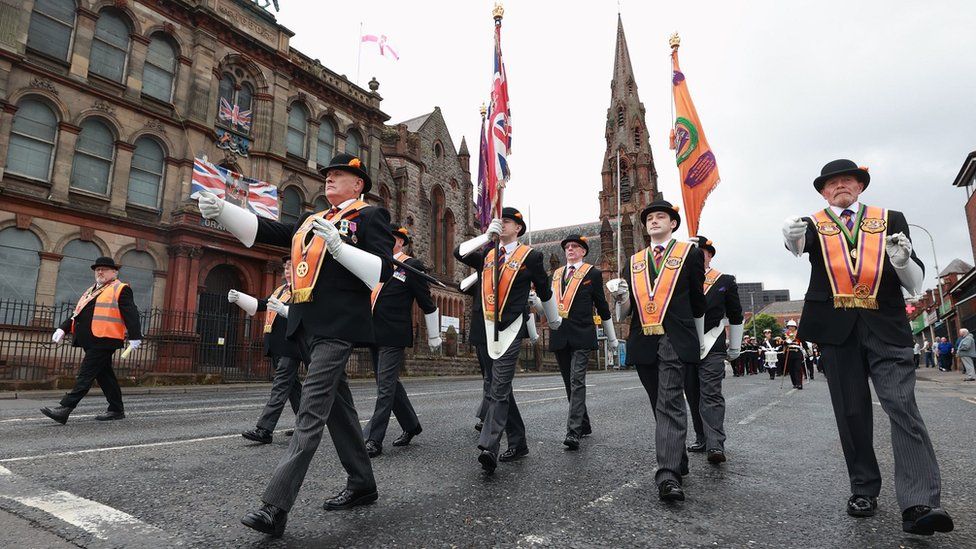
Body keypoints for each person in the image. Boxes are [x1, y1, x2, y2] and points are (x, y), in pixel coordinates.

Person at [198, 153, 393, 537]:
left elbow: (383, 269)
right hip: (304, 326)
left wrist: (341, 248)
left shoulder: (370, 217)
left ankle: (275, 507)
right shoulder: (312, 221)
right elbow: (271, 232)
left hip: (338, 326)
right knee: (339, 411)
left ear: (359, 185)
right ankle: (363, 484)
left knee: (310, 414)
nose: (330, 180)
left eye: (339, 175)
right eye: (329, 175)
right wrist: (223, 211)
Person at [782, 158, 953, 535]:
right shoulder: (814, 224)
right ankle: (863, 489)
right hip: (836, 328)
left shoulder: (891, 218)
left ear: (860, 186)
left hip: (886, 325)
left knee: (903, 407)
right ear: (823, 192)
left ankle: (919, 501)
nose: (840, 186)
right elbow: (797, 248)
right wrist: (790, 236)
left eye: (848, 180)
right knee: (852, 412)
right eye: (832, 183)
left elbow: (915, 281)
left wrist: (904, 260)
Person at [607, 200, 706, 502]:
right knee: (658, 402)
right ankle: (678, 457)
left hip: (675, 338)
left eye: (661, 216)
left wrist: (699, 341)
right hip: (643, 340)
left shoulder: (689, 253)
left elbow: (698, 303)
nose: (654, 221)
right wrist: (619, 297)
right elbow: (624, 312)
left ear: (673, 223)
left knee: (669, 401)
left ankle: (667, 474)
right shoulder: (634, 261)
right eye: (649, 218)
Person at [454, 207, 562, 474]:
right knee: (498, 386)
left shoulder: (531, 257)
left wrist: (554, 320)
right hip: (487, 328)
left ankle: (489, 446)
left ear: (518, 229)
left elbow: (545, 290)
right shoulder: (488, 255)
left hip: (512, 327)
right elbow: (459, 253)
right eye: (498, 221)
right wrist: (484, 237)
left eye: (507, 222)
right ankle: (519, 441)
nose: (501, 225)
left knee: (499, 386)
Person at [363, 224, 442, 457]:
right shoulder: (377, 264)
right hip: (374, 332)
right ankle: (411, 425)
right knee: (389, 385)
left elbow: (426, 302)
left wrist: (434, 335)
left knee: (385, 389)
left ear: (400, 242)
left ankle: (372, 439)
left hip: (394, 335)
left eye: (390, 238)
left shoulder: (411, 266)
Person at [40, 257, 142, 424]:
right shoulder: (91, 290)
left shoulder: (121, 289)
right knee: (104, 375)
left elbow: (131, 313)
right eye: (97, 269)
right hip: (91, 339)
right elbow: (77, 313)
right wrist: (63, 328)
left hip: (105, 339)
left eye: (104, 269)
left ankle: (65, 409)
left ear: (114, 272)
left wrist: (135, 336)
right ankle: (116, 409)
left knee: (86, 374)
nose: (100, 272)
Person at [548, 234, 617, 450]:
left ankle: (573, 431)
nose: (570, 249)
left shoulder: (593, 273)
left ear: (583, 252)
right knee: (570, 384)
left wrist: (612, 337)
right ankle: (584, 424)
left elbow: (602, 306)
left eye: (575, 246)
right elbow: (549, 303)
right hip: (560, 335)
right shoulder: (557, 274)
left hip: (582, 334)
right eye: (567, 246)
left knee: (577, 381)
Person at [228, 256, 303, 444]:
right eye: (285, 267)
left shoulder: (301, 290)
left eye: (291, 267)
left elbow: (304, 316)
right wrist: (240, 298)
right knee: (293, 388)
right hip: (277, 345)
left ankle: (264, 430)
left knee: (280, 387)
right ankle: (304, 425)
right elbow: (261, 305)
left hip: (290, 346)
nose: (287, 270)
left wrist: (285, 309)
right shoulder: (279, 290)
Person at [683, 235, 743, 463]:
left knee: (711, 394)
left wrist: (735, 346)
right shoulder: (680, 281)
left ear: (708, 255)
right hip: (687, 345)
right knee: (692, 392)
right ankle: (701, 437)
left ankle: (715, 443)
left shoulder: (725, 280)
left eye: (699, 253)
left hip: (713, 343)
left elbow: (735, 314)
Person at [781, 320, 806, 390]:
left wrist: (808, 352)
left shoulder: (799, 334)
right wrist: (786, 341)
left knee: (798, 368)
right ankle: (794, 383)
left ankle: (799, 384)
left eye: (792, 326)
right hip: (789, 353)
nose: (790, 328)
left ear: (795, 327)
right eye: (789, 326)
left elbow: (804, 343)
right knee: (791, 369)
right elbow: (783, 343)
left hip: (797, 352)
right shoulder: (785, 334)